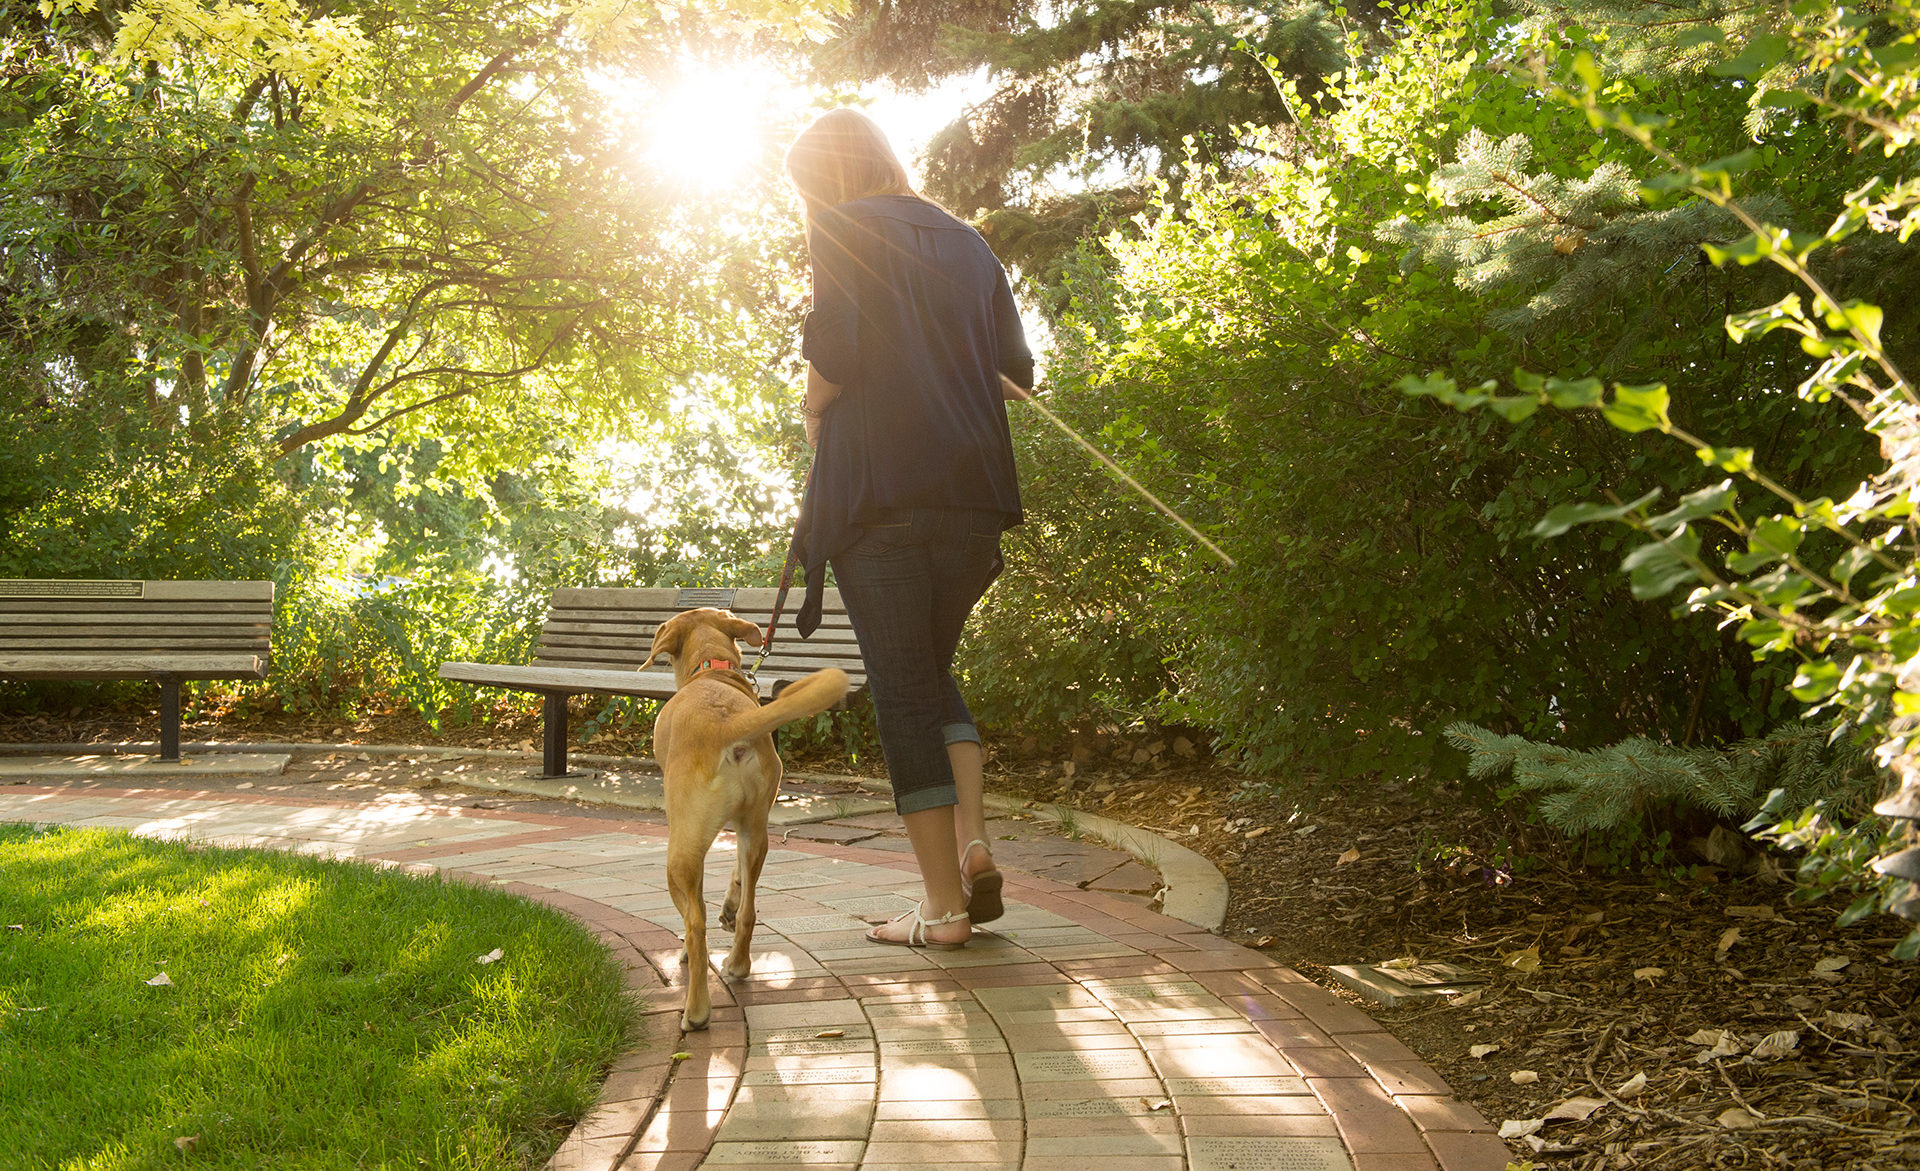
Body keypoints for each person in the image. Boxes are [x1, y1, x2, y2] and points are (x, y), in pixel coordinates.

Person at [784, 108, 1033, 949]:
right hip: (973, 501)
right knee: (926, 672)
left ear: (825, 179)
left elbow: (835, 364)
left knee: (901, 692)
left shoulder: (841, 228)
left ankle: (942, 908)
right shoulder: (971, 244)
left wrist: (812, 411)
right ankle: (972, 845)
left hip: (880, 498)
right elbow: (1015, 378)